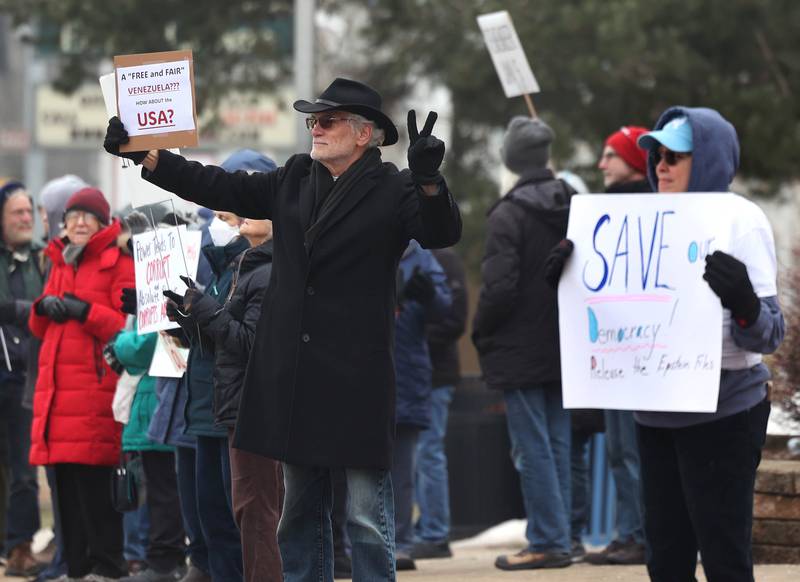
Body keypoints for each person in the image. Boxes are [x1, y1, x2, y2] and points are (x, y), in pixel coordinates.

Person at [103, 77, 461, 582]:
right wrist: (147, 155)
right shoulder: (294, 176)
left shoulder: (394, 187)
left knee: (365, 518)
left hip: (357, 376)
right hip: (293, 373)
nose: (315, 127)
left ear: (366, 134)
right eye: (312, 119)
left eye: (327, 120)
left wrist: (428, 181)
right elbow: (217, 185)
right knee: (297, 516)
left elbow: (441, 232)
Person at [547, 107, 784, 582]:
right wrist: (565, 285)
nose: (661, 165)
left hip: (725, 411)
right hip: (653, 412)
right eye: (656, 154)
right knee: (666, 560)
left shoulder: (741, 219)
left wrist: (744, 303)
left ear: (710, 158)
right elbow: (608, 315)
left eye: (676, 155)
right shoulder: (633, 218)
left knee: (724, 557)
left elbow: (770, 334)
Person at [472, 116, 575, 570]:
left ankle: (549, 540)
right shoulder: (574, 205)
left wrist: (482, 330)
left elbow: (499, 289)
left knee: (533, 446)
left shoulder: (508, 214)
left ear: (512, 160)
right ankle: (562, 536)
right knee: (555, 442)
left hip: (519, 344)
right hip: (567, 341)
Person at [28, 187, 134, 579]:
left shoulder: (116, 262)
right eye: (73, 217)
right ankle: (75, 569)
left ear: (103, 223)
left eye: (88, 217)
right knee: (65, 494)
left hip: (94, 394)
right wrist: (44, 307)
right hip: (56, 397)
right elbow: (37, 327)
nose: (79, 223)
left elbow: (126, 325)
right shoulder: (59, 260)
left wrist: (84, 311)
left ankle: (107, 567)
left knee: (94, 491)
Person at [582, 126, 650, 566]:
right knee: (620, 450)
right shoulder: (603, 210)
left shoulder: (647, 209)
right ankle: (632, 531)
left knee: (633, 450)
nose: (602, 163)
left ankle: (639, 533)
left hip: (641, 352)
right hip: (613, 349)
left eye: (611, 155)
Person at [392, 241, 451, 570]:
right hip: (360, 369)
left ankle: (400, 543)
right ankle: (354, 542)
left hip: (406, 373)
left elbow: (445, 307)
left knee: (402, 469)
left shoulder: (421, 257)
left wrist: (428, 296)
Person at [0, 179, 46, 578]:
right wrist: (16, 308)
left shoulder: (42, 258)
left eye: (29, 212)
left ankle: (20, 548)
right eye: (17, 212)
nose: (25, 219)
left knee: (24, 470)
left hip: (23, 376)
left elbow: (46, 307)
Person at [412, 246, 467, 560]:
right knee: (418, 455)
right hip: (414, 372)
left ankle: (434, 532)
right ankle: (426, 529)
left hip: (435, 373)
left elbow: (454, 319)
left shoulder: (444, 259)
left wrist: (413, 337)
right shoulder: (407, 254)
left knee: (428, 452)